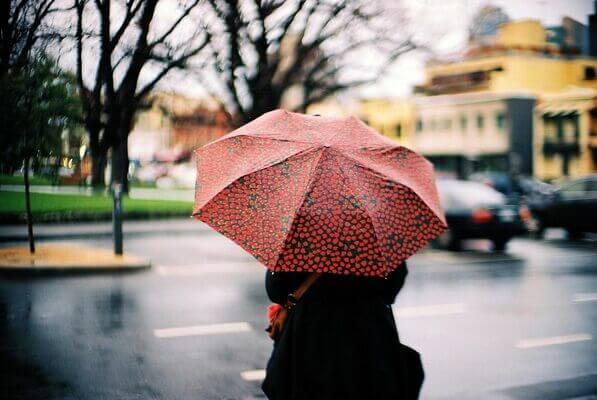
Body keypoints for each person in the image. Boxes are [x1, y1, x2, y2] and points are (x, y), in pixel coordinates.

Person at [262, 261, 424, 400]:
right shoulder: (375, 236)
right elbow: (393, 283)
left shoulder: (300, 237)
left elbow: (275, 288)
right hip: (370, 336)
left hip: (308, 334)